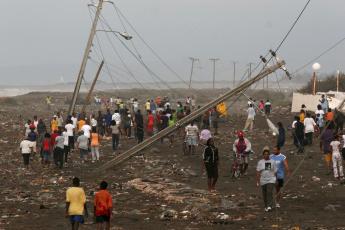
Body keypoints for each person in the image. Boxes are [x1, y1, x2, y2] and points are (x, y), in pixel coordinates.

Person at [256, 146, 277, 212]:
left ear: (269, 155)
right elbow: (258, 172)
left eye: (267, 154)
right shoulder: (260, 162)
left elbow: (275, 171)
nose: (266, 155)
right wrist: (257, 181)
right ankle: (266, 206)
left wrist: (276, 179)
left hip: (271, 179)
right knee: (264, 193)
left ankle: (269, 205)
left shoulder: (272, 161)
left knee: (269, 192)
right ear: (263, 155)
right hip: (263, 180)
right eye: (265, 154)